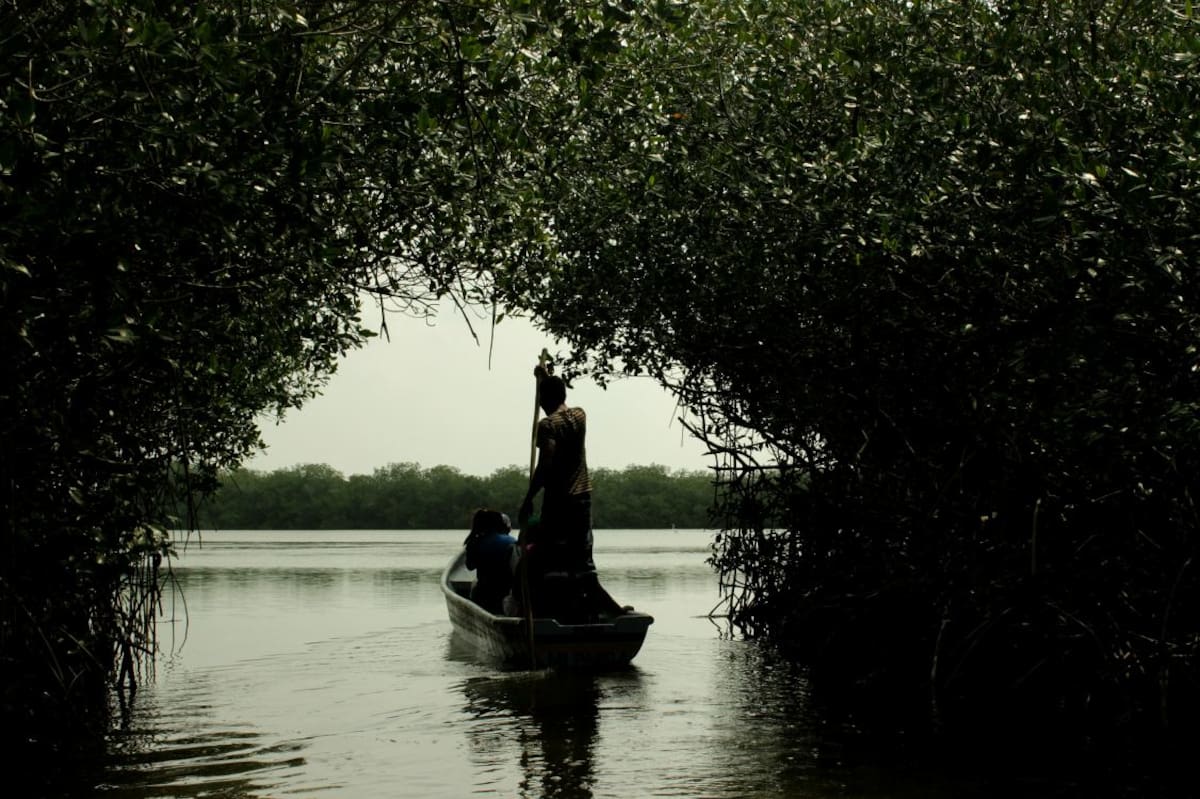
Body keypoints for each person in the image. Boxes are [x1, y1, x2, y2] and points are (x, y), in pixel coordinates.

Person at [518, 369, 626, 619]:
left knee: (547, 556)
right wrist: (544, 379)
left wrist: (528, 498)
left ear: (543, 401)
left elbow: (546, 461)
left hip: (559, 501)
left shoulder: (546, 426)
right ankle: (606, 609)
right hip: (583, 499)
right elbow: (557, 398)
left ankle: (540, 611)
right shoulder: (580, 415)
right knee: (582, 558)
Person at [463, 508, 516, 614]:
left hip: (484, 593)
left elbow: (470, 566)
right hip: (506, 592)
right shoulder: (512, 541)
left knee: (475, 587)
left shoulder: (474, 542)